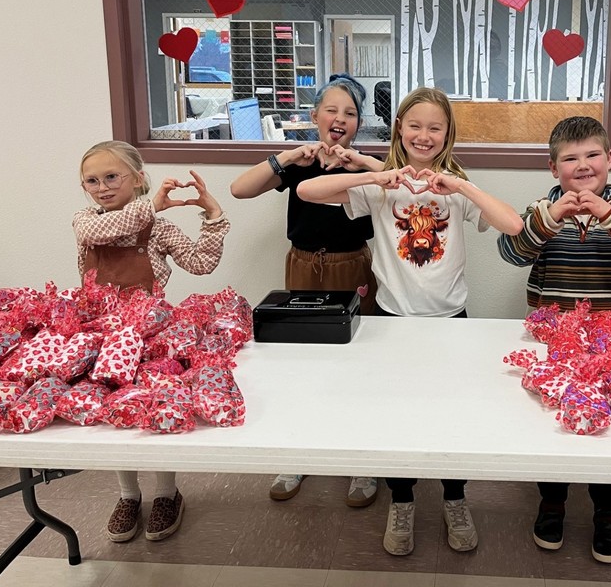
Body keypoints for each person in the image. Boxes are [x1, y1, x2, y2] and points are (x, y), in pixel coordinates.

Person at [296, 86, 524, 557]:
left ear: (447, 135)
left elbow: (513, 225)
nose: (423, 135)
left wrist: (458, 185)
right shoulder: (382, 188)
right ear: (399, 127)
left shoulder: (458, 188)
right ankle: (401, 501)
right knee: (395, 413)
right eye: (414, 125)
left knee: (453, 413)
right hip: (392, 319)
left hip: (450, 320)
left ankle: (455, 498)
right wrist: (375, 177)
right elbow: (306, 190)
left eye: (434, 127)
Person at [497, 116, 611, 564]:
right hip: (554, 342)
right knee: (551, 426)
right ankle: (552, 501)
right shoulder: (541, 208)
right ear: (553, 167)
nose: (583, 165)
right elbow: (511, 251)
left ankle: (608, 510)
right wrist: (553, 217)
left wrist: (607, 214)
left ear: (610, 160)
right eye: (570, 158)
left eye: (593, 155)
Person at [231, 74, 384, 508]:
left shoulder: (365, 162)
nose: (340, 119)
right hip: (301, 264)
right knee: (298, 358)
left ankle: (362, 460)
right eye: (331, 110)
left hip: (351, 263)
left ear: (359, 123)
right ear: (314, 116)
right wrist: (288, 155)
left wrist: (360, 163)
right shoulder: (297, 163)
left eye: (350, 113)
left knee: (358, 361)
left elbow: (398, 183)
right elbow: (239, 189)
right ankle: (297, 453)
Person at [73, 140, 230, 542]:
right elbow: (111, 227)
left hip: (150, 340)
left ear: (138, 179)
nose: (102, 186)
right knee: (111, 411)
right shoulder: (85, 223)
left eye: (112, 176)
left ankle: (166, 493)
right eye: (92, 180)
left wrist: (213, 217)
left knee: (156, 410)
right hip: (99, 337)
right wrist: (152, 206)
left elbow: (201, 263)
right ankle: (127, 494)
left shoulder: (159, 228)